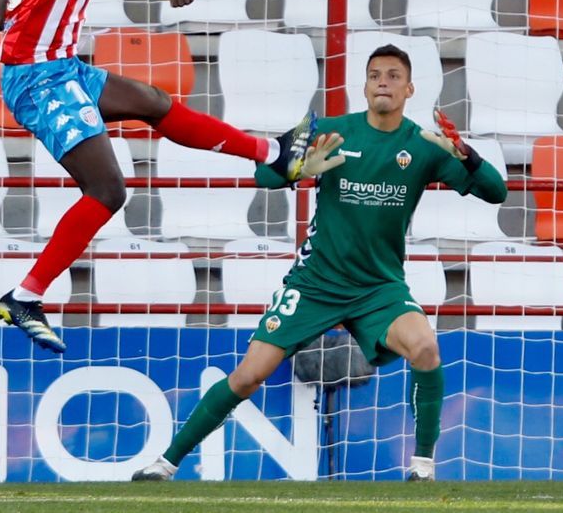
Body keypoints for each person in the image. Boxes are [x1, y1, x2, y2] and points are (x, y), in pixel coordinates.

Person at [131, 44, 508, 482]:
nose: (382, 81)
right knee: (250, 375)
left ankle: (422, 466)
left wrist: (467, 155)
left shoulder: (423, 146)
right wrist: (299, 167)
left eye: (391, 75)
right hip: (315, 283)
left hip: (377, 288)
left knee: (425, 346)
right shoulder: (331, 131)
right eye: (373, 75)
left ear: (409, 88)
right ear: (365, 87)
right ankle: (167, 463)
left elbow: (496, 193)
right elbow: (264, 174)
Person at [0, 0, 315, 353]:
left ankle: (273, 155)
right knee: (108, 190)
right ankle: (25, 296)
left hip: (61, 68)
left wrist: (37, 11)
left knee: (154, 101)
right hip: (40, 80)